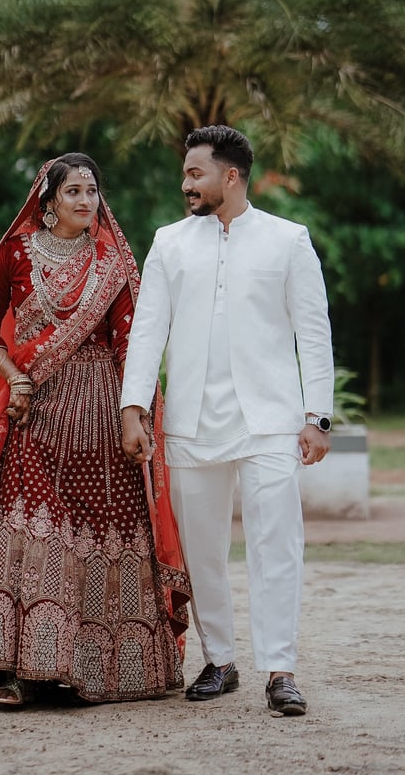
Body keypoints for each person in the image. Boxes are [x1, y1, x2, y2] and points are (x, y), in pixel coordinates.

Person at [0, 153, 190, 707]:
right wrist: (14, 377)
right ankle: (15, 670)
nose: (85, 200)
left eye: (92, 191)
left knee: (100, 533)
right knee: (29, 531)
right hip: (34, 415)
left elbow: (131, 345)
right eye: (73, 190)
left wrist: (134, 415)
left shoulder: (112, 264)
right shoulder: (16, 252)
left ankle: (92, 669)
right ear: (49, 199)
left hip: (102, 423)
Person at [120, 126, 333, 716]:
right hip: (191, 421)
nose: (185, 184)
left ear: (230, 176)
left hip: (271, 420)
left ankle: (281, 670)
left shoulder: (288, 240)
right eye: (185, 174)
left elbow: (314, 331)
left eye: (196, 174)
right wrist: (133, 408)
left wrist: (318, 416)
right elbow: (147, 331)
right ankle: (220, 660)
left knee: (276, 545)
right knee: (203, 549)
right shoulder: (168, 243)